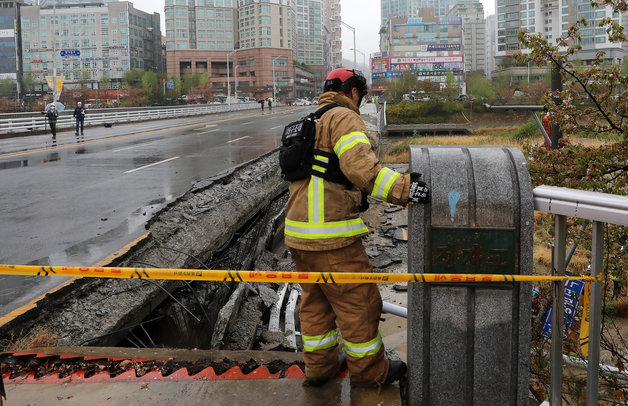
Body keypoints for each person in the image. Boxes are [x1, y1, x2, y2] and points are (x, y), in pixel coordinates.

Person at [284, 68, 429, 388]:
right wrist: (406, 190)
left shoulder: (312, 120)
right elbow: (362, 169)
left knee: (316, 304)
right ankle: (370, 373)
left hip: (297, 235)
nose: (361, 103)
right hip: (330, 237)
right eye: (361, 96)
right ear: (351, 92)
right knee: (359, 302)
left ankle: (320, 367)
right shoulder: (344, 118)